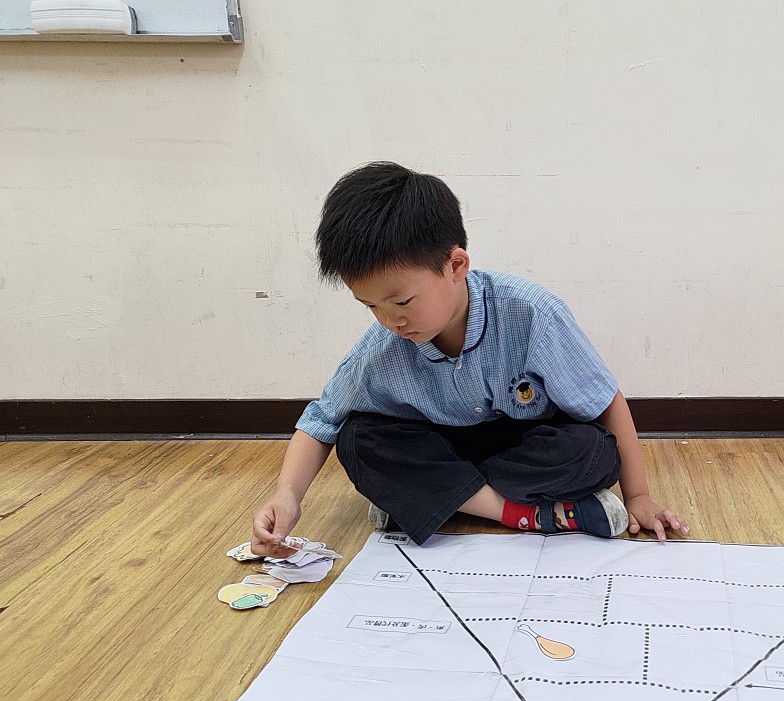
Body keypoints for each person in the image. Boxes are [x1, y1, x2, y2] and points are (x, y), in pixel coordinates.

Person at [251, 161, 689, 556]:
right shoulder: (381, 347)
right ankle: (518, 512)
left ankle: (427, 498)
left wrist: (638, 497)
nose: (390, 321)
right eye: (371, 306)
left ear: (456, 265)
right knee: (358, 440)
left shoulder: (532, 314)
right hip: (443, 442)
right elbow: (321, 421)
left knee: (594, 452)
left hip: (522, 442)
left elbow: (606, 401)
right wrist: (287, 494)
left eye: (401, 301)